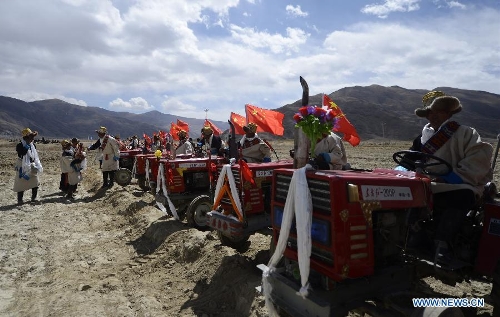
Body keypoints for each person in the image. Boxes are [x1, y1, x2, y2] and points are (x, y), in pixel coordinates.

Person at [405, 91, 493, 265]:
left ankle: (442, 244)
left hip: (457, 182)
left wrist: (450, 178)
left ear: (448, 113)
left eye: (438, 111)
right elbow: (409, 160)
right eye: (430, 112)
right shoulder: (421, 138)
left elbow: (478, 157)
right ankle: (410, 234)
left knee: (462, 196)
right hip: (425, 182)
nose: (433, 115)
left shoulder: (466, 133)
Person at [13, 128, 43, 205]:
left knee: (35, 182)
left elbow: (34, 156)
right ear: (26, 137)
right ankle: (20, 200)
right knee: (21, 182)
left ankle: (34, 198)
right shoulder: (19, 145)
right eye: (31, 138)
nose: (32, 139)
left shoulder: (33, 146)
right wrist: (27, 146)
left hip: (32, 165)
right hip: (22, 165)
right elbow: (22, 153)